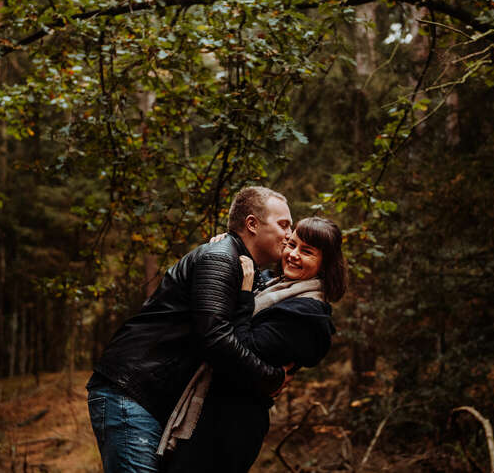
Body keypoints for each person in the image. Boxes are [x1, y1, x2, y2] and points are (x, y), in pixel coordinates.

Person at [87, 187, 294, 473]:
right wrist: (270, 378)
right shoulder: (221, 259)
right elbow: (215, 337)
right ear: (252, 224)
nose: (290, 235)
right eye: (283, 225)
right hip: (131, 391)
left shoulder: (241, 267)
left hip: (154, 399)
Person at [159, 216, 346, 473]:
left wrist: (245, 297)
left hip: (232, 424)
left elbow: (243, 347)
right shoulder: (274, 286)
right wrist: (224, 248)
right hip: (211, 412)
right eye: (291, 245)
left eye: (307, 251)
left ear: (325, 264)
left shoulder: (307, 314)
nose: (293, 255)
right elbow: (237, 278)